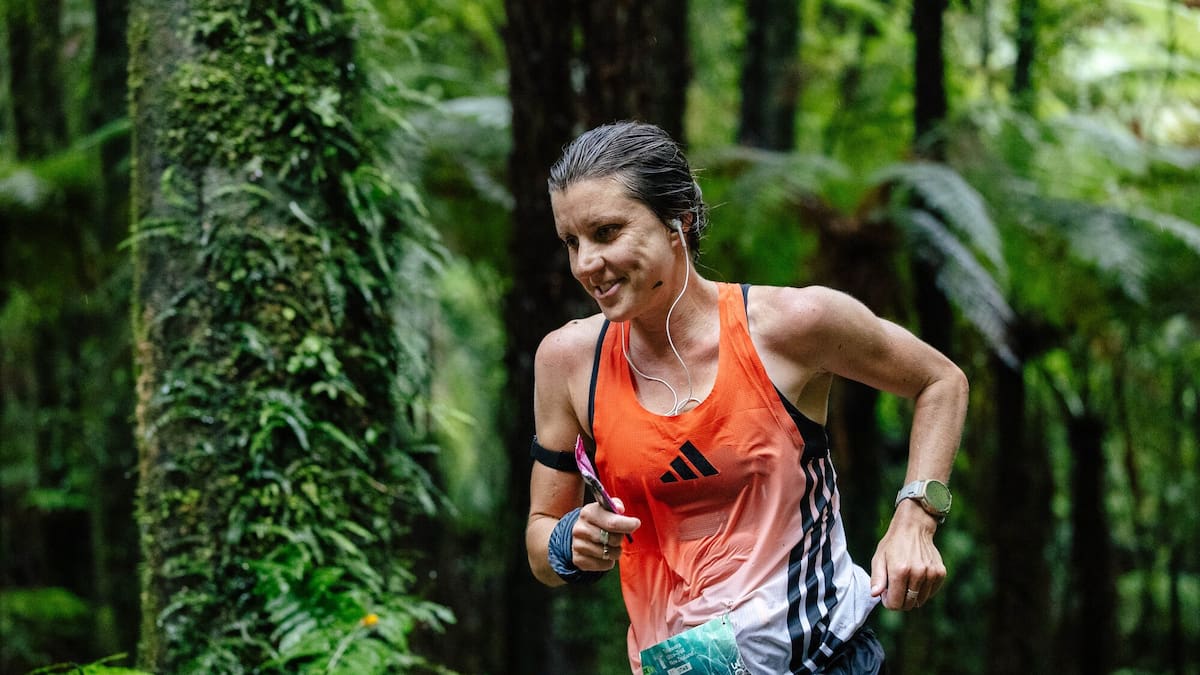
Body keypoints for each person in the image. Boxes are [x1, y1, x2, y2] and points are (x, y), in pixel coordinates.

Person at [525, 121, 968, 675]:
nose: (586, 263)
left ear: (678, 220)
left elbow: (940, 381)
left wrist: (915, 518)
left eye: (607, 232)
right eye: (572, 242)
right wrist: (569, 542)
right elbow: (541, 540)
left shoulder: (791, 326)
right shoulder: (568, 362)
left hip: (825, 659)